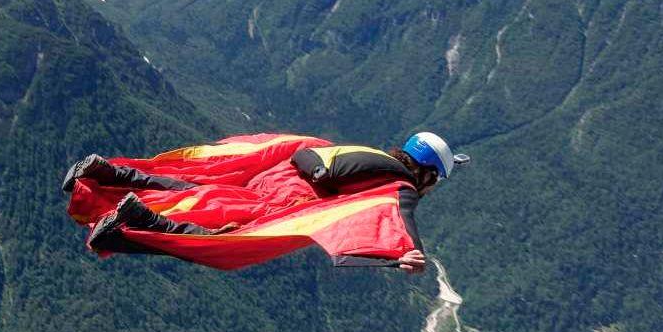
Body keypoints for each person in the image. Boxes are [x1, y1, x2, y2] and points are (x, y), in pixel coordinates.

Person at [63, 132, 469, 271]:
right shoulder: (401, 184)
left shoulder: (374, 155)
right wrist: (407, 252)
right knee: (228, 247)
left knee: (200, 190)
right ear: (428, 173)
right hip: (288, 199)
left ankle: (112, 176)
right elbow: (397, 213)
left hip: (276, 176)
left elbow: (313, 159)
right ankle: (129, 225)